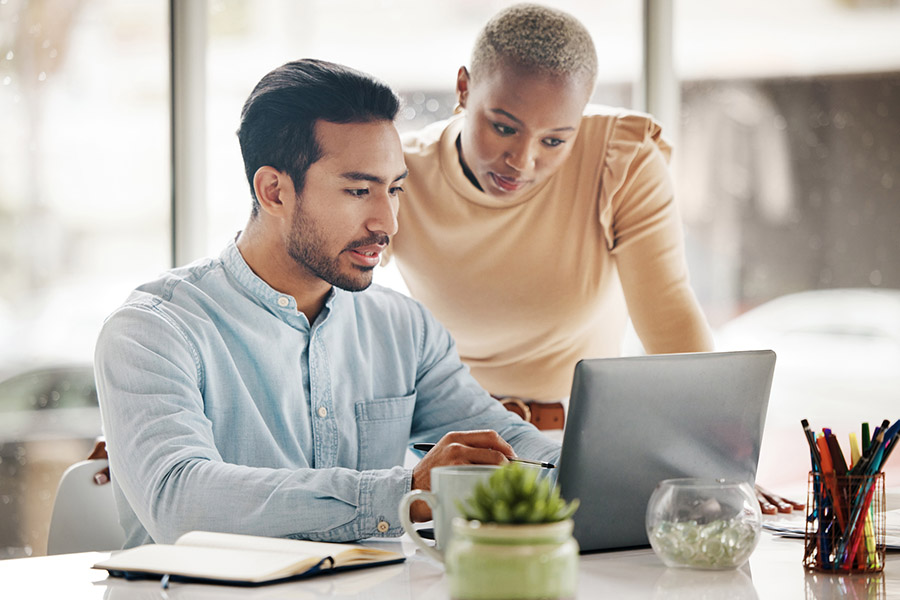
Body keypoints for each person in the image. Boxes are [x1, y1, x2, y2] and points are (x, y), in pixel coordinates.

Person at [94, 58, 559, 548]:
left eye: (394, 190)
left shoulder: (405, 328)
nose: (387, 223)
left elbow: (507, 444)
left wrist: (591, 472)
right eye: (359, 190)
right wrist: (407, 492)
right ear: (273, 191)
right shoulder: (152, 331)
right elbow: (180, 502)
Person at [387, 3, 714, 427]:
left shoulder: (621, 159)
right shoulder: (400, 172)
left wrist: (716, 456)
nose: (522, 162)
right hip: (449, 438)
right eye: (504, 128)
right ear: (464, 89)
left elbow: (670, 321)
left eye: (555, 141)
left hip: (579, 438)